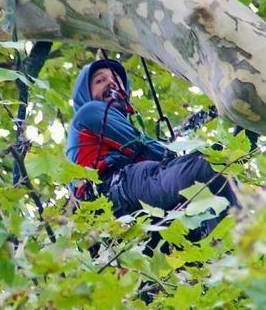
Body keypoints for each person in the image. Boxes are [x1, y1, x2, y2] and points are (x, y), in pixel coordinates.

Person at [66, 58, 239, 243]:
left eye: (116, 79)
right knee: (209, 164)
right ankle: (234, 244)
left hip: (137, 219)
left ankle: (224, 248)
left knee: (203, 211)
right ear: (85, 93)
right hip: (116, 191)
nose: (111, 82)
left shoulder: (115, 124)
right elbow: (142, 146)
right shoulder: (90, 111)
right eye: (100, 80)